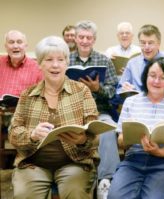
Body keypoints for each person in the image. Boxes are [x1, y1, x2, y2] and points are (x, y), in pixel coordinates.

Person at [8, 36, 98, 199]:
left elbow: (95, 134)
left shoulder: (82, 91)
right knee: (24, 195)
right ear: (39, 64)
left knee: (75, 193)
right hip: (33, 164)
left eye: (60, 59)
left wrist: (82, 140)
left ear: (66, 63)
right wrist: (32, 135)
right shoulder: (27, 95)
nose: (55, 65)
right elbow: (13, 133)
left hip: (74, 163)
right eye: (49, 60)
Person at [108, 57, 164, 199]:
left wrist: (159, 152)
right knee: (116, 196)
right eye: (152, 76)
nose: (156, 81)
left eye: (163, 77)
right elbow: (121, 141)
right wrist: (130, 138)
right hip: (134, 160)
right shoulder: (131, 101)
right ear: (145, 76)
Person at [68, 20, 119, 198]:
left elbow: (114, 92)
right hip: (72, 113)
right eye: (81, 37)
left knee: (108, 130)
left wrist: (98, 89)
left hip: (99, 111)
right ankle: (74, 177)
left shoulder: (104, 60)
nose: (84, 41)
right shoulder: (65, 59)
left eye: (88, 37)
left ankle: (106, 180)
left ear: (94, 40)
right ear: (75, 38)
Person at [117, 24, 164, 99]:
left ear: (158, 43)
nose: (146, 47)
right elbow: (119, 91)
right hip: (138, 107)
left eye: (150, 43)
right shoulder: (132, 64)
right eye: (143, 43)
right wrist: (125, 91)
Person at [0, 30, 43, 97]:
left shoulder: (38, 68)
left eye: (19, 42)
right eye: (11, 42)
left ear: (26, 46)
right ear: (6, 46)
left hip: (24, 107)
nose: (15, 46)